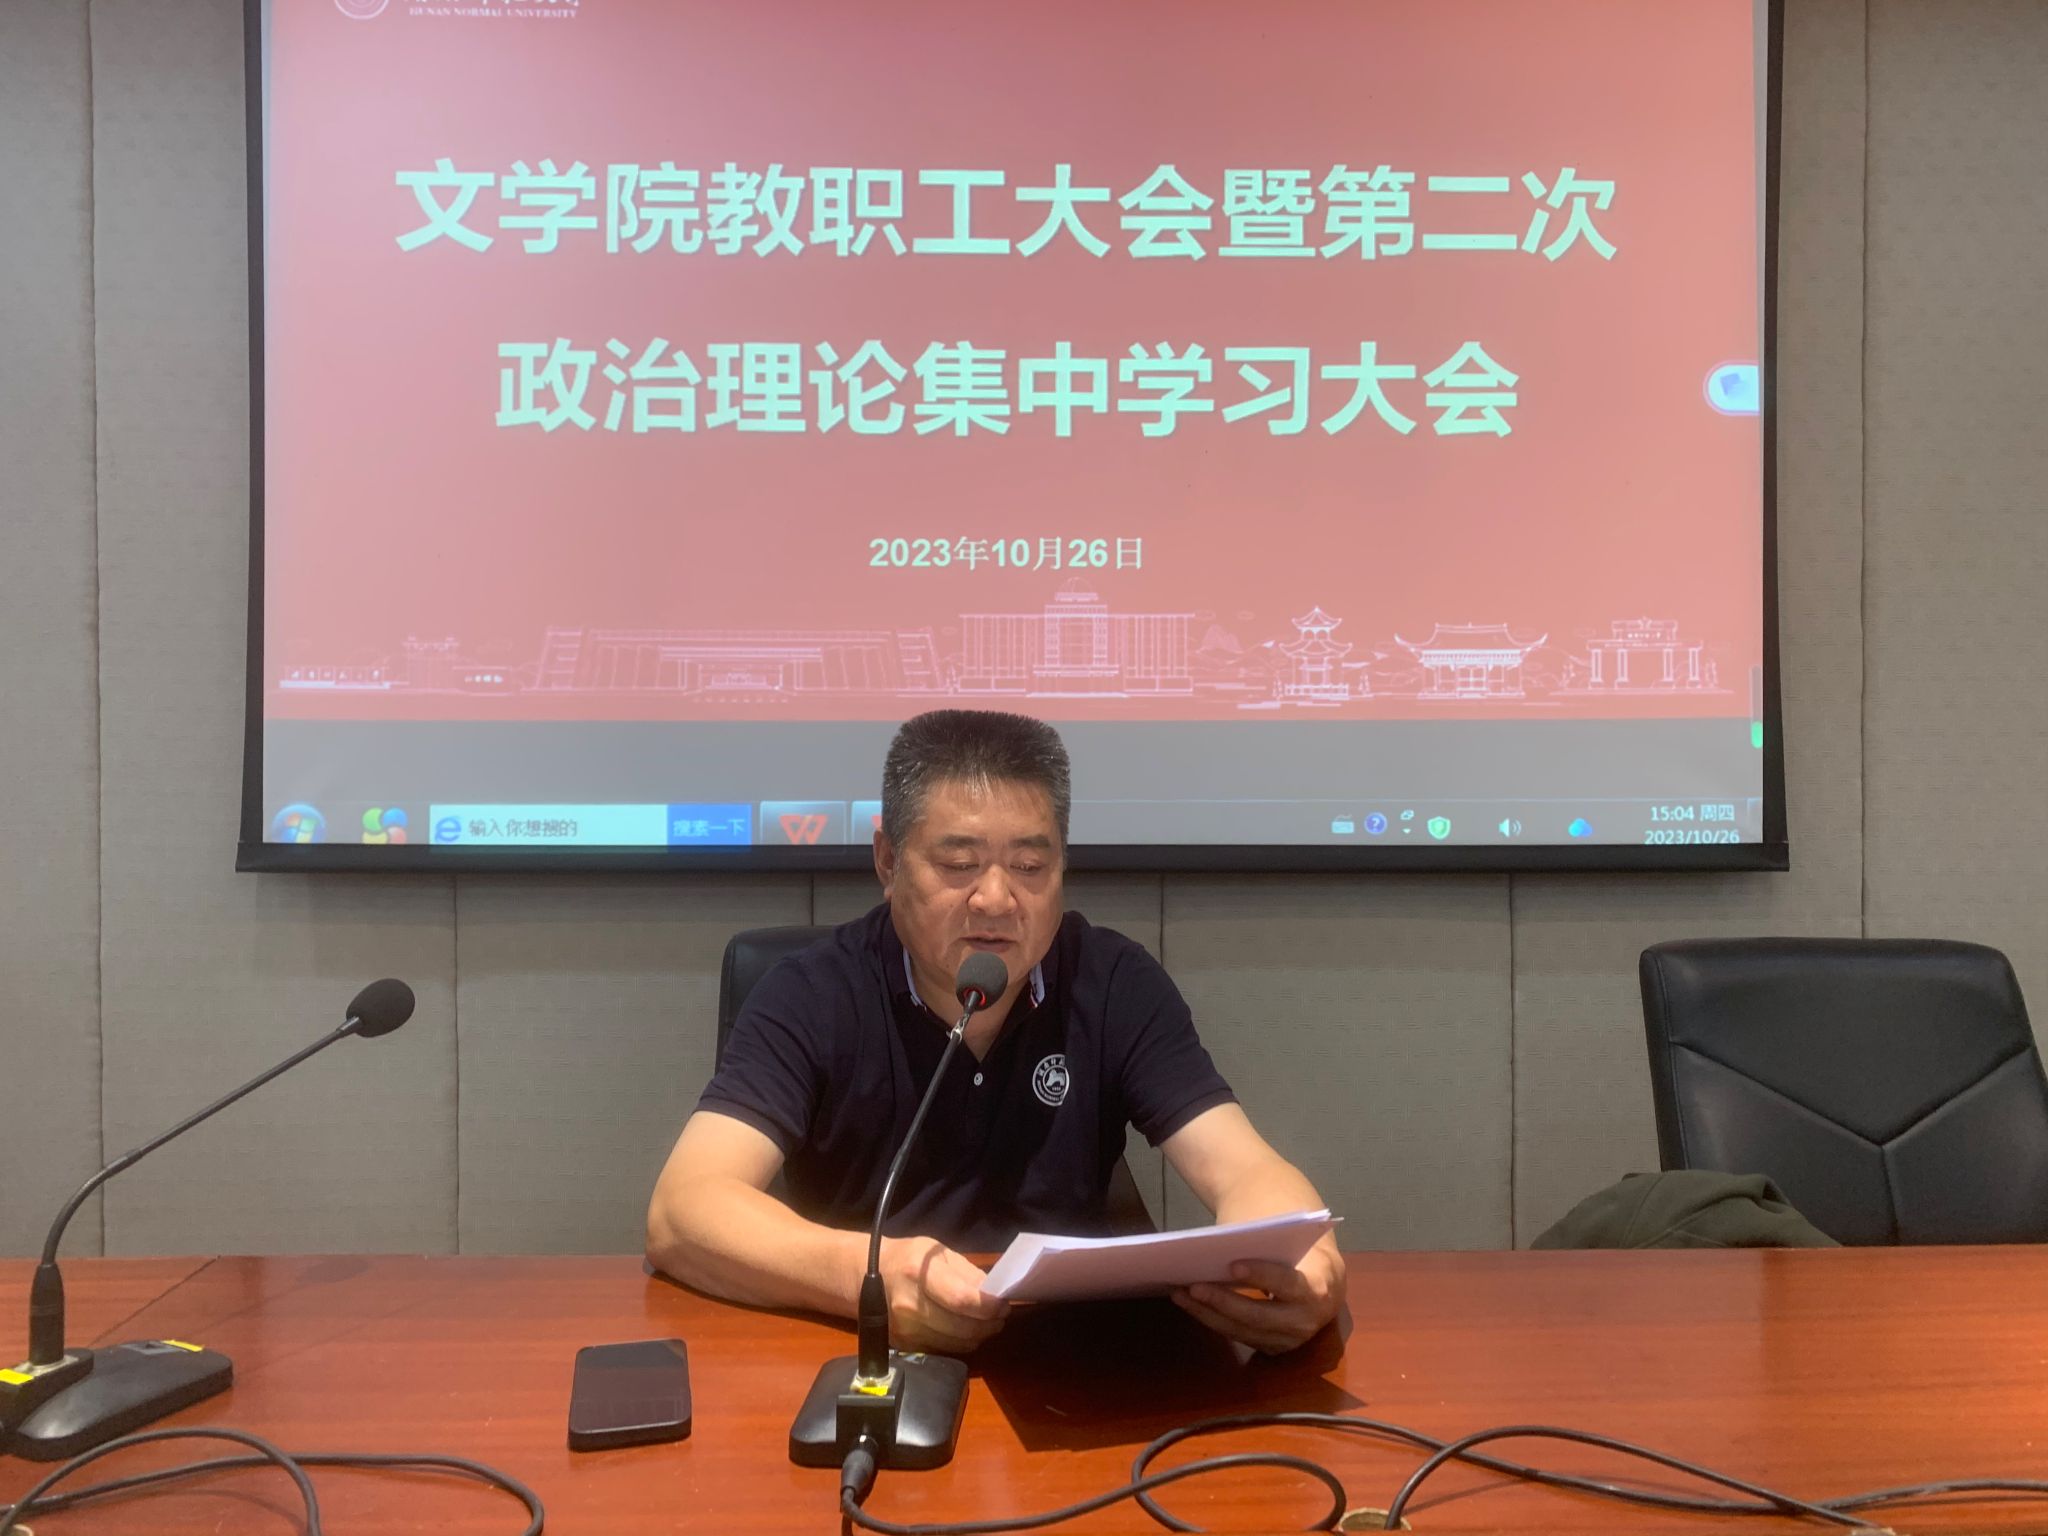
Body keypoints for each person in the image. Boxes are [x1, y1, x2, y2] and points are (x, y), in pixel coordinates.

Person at [647, 709, 1345, 1356]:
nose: (996, 899)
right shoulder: (812, 992)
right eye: (958, 865)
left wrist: (1301, 1262)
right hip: (864, 1350)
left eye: (1030, 867)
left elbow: (1247, 1170)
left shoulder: (1112, 982)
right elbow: (683, 1209)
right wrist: (867, 1274)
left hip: (1071, 1360)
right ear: (887, 861)